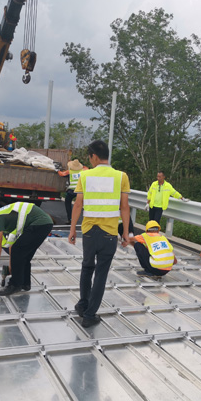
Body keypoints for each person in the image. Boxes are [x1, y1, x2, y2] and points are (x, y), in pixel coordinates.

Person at [69, 140, 130, 328]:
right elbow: (124, 207)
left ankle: (83, 304)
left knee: (87, 267)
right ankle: (89, 315)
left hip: (88, 232)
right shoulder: (121, 176)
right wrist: (125, 233)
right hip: (109, 234)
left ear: (94, 156)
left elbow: (78, 205)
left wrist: (72, 229)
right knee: (101, 274)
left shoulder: (85, 175)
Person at [0, 202, 53, 296]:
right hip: (45, 224)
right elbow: (12, 246)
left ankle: (15, 285)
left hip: (39, 223)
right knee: (24, 254)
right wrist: (11, 266)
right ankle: (25, 283)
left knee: (19, 251)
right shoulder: (6, 219)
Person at [58, 159, 88, 224]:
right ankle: (86, 219)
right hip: (81, 191)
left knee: (67, 202)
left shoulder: (69, 172)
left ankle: (70, 219)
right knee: (84, 204)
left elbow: (61, 174)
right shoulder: (83, 171)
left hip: (72, 191)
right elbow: (87, 169)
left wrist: (58, 170)